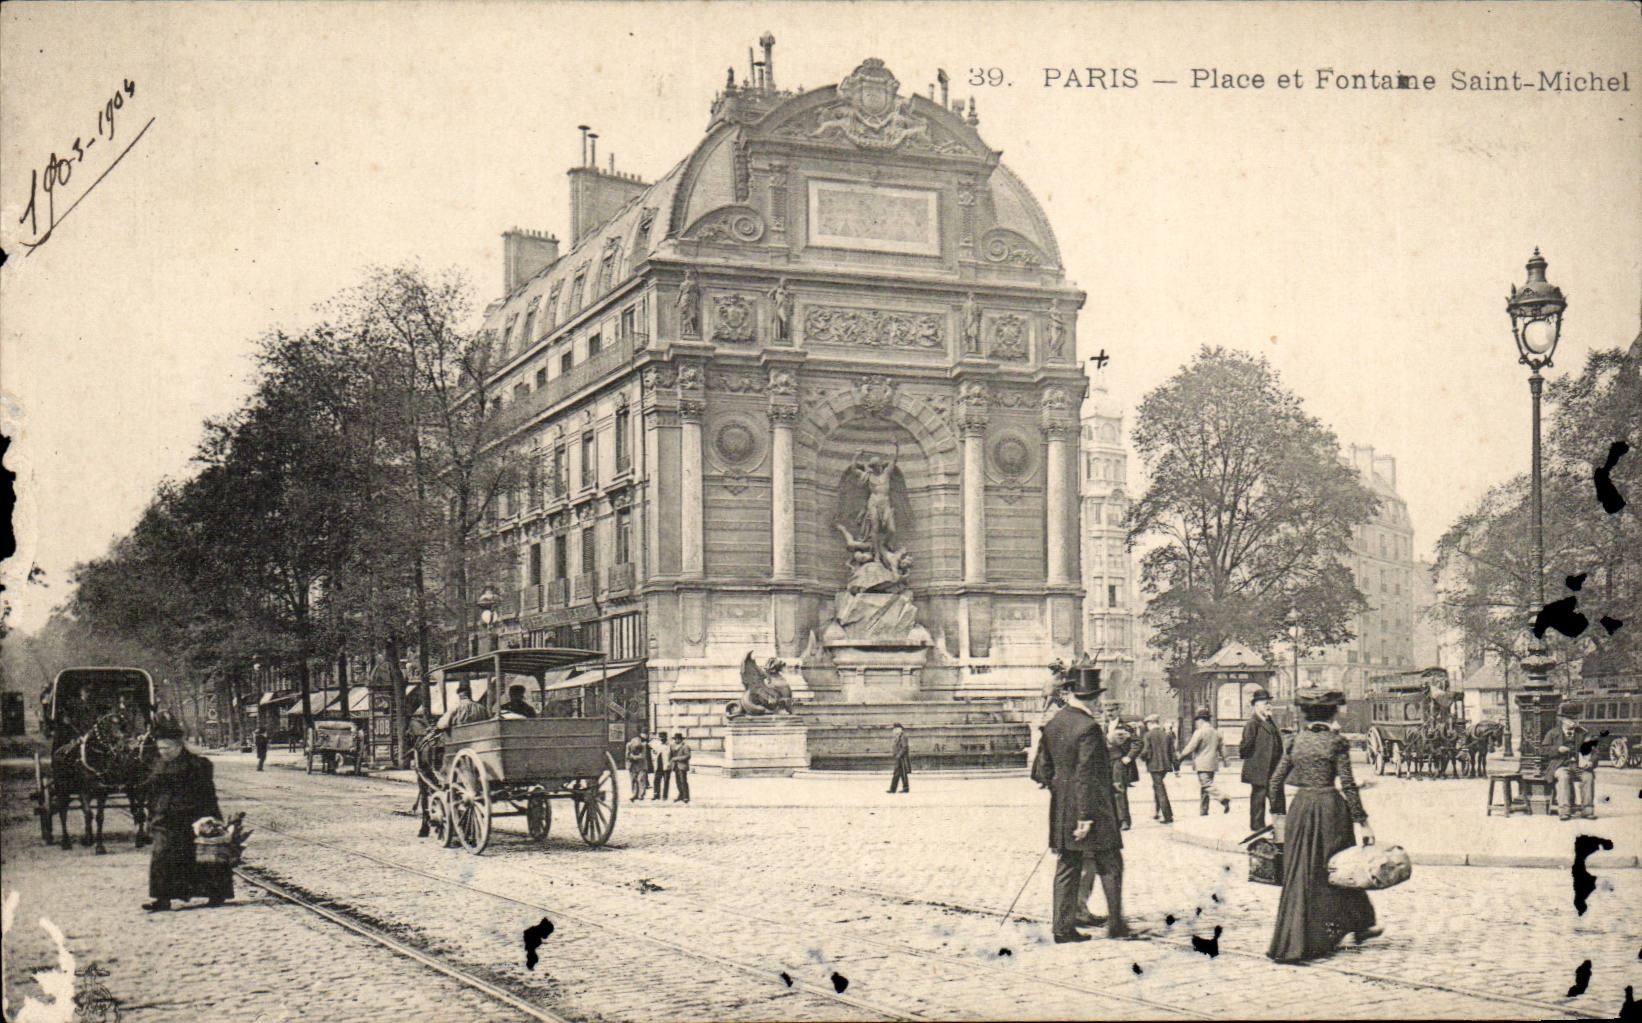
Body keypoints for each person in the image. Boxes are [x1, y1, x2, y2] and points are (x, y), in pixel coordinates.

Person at [1268, 687, 1379, 961]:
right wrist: (1363, 822)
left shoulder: (1295, 742)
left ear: (1305, 714)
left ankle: (1295, 939)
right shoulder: (1336, 742)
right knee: (1338, 868)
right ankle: (1353, 924)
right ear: (1331, 714)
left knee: (1300, 873)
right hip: (1331, 810)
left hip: (1301, 810)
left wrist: (1279, 816)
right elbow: (1348, 785)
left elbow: (1274, 783)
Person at [1031, 662, 1136, 942]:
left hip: (1062, 810)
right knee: (1111, 863)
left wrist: (1063, 794)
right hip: (1092, 811)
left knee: (1067, 865)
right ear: (1094, 698)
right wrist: (1085, 815)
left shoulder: (1054, 724)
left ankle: (1062, 929)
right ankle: (1116, 925)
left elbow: (1042, 771)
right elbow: (1087, 774)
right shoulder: (1089, 728)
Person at [140, 714, 231, 912]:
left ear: (178, 746)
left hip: (193, 817)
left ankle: (215, 893)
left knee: (202, 855)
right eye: (160, 748)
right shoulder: (157, 765)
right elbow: (151, 793)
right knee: (161, 854)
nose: (163, 752)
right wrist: (150, 817)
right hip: (164, 818)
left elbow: (208, 793)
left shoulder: (197, 765)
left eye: (167, 748)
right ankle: (162, 898)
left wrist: (213, 819)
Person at [1240, 688, 1284, 831]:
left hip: (1273, 768)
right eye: (1266, 703)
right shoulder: (1253, 723)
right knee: (1259, 800)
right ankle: (1257, 829)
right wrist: (1255, 760)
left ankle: (1279, 828)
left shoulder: (1270, 721)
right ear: (1256, 705)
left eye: (1269, 703)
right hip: (1260, 769)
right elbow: (1245, 746)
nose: (1269, 706)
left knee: (1277, 799)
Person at [1541, 704, 1595, 821]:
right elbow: (1543, 750)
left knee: (1588, 777)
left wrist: (1590, 762)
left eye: (1575, 719)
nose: (1574, 722)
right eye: (1570, 719)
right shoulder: (1553, 733)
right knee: (1563, 777)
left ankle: (1587, 810)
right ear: (1562, 720)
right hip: (1561, 765)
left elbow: (1595, 751)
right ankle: (1564, 811)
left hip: (1579, 767)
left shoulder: (1583, 733)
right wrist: (1557, 749)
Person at [1178, 708, 1232, 816]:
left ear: (1201, 720)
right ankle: (1204, 810)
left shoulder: (1199, 732)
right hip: (1212, 764)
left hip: (1202, 764)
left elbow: (1191, 747)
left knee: (1206, 785)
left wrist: (1180, 758)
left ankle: (1222, 797)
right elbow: (1223, 748)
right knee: (1205, 788)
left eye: (1197, 720)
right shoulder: (1216, 733)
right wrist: (1226, 762)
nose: (1197, 723)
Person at [1138, 714, 1176, 824]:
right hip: (1165, 766)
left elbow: (1145, 751)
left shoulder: (1148, 735)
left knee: (1160, 790)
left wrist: (1141, 757)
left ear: (1150, 724)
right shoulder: (1166, 735)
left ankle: (1167, 816)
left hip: (1154, 766)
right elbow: (1172, 752)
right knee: (1157, 787)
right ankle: (1155, 812)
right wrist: (1175, 767)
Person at [1106, 715, 1139, 830]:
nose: (1109, 713)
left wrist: (1129, 757)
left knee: (1119, 790)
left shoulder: (1126, 726)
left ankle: (1124, 820)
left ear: (1117, 711)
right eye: (1107, 710)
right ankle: (1113, 820)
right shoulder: (1103, 726)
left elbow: (1138, 743)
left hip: (1118, 762)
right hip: (1105, 762)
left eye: (1112, 710)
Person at [626, 730, 651, 800]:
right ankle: (634, 794)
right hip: (632, 765)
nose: (636, 750)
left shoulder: (643, 745)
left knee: (641, 779)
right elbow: (627, 755)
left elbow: (642, 756)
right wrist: (632, 757)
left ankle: (641, 794)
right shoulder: (628, 745)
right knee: (633, 779)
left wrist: (633, 756)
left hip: (641, 764)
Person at [887, 723, 912, 794]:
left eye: (895, 729)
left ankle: (904, 788)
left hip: (902, 758)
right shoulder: (898, 737)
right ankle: (893, 789)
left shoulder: (903, 737)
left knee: (902, 774)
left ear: (899, 729)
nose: (893, 731)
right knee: (897, 774)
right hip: (898, 758)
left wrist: (899, 755)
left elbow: (905, 747)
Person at [669, 733, 692, 804]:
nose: (676, 740)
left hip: (682, 766)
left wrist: (677, 758)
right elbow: (671, 755)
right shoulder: (673, 746)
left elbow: (687, 756)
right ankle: (680, 795)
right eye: (675, 739)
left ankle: (686, 797)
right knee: (678, 782)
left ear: (681, 739)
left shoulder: (685, 746)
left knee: (683, 781)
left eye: (678, 739)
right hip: (675, 766)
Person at [651, 731, 672, 801]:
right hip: (658, 766)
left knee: (666, 781)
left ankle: (665, 796)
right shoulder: (657, 745)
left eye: (663, 737)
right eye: (661, 737)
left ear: (666, 737)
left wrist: (670, 763)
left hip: (666, 765)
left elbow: (672, 756)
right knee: (656, 780)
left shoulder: (669, 745)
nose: (662, 739)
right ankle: (656, 794)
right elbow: (654, 753)